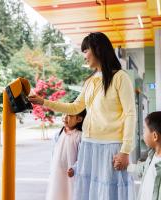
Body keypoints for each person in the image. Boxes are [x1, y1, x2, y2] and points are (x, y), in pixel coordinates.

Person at [29, 32, 136, 200]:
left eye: (86, 51)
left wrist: (125, 151)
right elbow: (74, 107)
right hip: (89, 145)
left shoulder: (120, 78)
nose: (84, 56)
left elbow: (130, 114)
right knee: (90, 193)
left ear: (98, 50)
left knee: (109, 194)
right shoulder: (90, 81)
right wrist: (43, 102)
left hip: (111, 147)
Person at [121, 112, 161, 200]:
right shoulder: (152, 156)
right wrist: (127, 166)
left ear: (155, 136)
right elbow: (143, 169)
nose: (143, 134)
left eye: (145, 130)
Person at [46, 110, 86, 200]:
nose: (65, 117)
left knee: (71, 193)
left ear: (79, 119)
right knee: (58, 193)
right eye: (64, 113)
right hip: (58, 172)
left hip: (72, 173)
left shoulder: (80, 136)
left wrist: (75, 167)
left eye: (69, 115)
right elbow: (54, 154)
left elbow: (83, 156)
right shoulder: (58, 135)